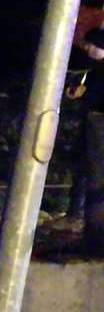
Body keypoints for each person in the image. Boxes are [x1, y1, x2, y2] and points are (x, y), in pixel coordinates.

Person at [66, 27, 104, 221]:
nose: (87, 49)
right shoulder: (93, 69)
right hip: (91, 124)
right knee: (83, 169)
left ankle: (84, 214)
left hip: (98, 126)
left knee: (93, 171)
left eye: (90, 46)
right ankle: (77, 212)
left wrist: (85, 94)